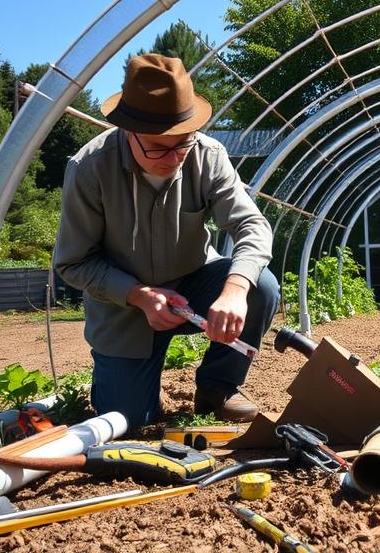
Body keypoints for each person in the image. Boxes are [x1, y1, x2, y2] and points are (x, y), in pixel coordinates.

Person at [54, 53, 278, 428]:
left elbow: (252, 227)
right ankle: (137, 386)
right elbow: (73, 263)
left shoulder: (207, 156)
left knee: (262, 287)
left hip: (194, 285)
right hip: (125, 308)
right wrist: (139, 295)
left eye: (183, 142)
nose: (174, 158)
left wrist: (235, 290)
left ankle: (217, 388)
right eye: (159, 147)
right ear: (128, 131)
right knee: (126, 420)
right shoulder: (90, 168)